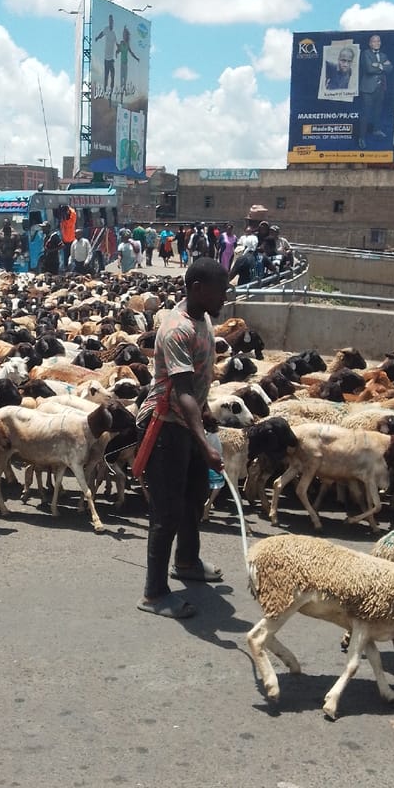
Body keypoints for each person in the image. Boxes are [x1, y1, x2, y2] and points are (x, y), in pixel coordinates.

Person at [136, 257, 229, 619]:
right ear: (197, 289)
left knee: (194, 496)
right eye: (220, 291)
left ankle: (187, 561)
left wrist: (203, 422)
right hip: (165, 426)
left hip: (187, 422)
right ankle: (154, 594)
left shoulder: (202, 317)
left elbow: (197, 387)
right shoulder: (177, 329)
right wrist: (203, 441)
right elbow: (183, 390)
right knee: (167, 511)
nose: (224, 297)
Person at [358, 34, 393, 147]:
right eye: (374, 41)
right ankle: (361, 138)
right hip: (368, 88)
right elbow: (368, 69)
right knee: (366, 113)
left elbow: (390, 68)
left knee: (378, 110)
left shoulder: (383, 55)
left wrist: (377, 65)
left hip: (380, 87)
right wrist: (382, 66)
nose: (376, 43)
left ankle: (376, 130)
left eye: (378, 41)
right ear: (370, 43)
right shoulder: (365, 53)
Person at [94, 13, 117, 96]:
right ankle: (104, 90)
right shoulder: (106, 29)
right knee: (106, 75)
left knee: (113, 74)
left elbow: (116, 44)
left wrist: (119, 50)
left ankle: (111, 90)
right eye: (110, 21)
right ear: (109, 22)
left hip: (111, 59)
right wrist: (97, 37)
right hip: (106, 58)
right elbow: (102, 34)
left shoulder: (114, 34)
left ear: (113, 23)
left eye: (112, 21)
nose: (111, 23)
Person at [115, 25, 139, 100]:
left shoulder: (127, 45)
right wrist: (116, 53)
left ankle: (123, 97)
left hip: (126, 65)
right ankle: (121, 97)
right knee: (121, 81)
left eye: (124, 34)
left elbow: (131, 53)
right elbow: (118, 51)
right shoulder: (121, 43)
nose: (123, 36)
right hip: (122, 64)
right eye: (123, 34)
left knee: (124, 81)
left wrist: (136, 58)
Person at [59, 204, 77, 269]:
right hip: (65, 241)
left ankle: (71, 269)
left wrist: (69, 209)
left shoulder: (72, 218)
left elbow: (73, 214)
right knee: (66, 257)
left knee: (71, 256)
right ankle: (66, 267)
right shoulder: (64, 220)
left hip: (71, 240)